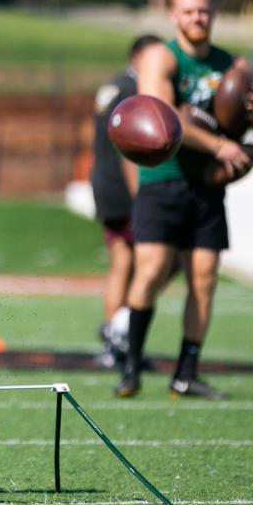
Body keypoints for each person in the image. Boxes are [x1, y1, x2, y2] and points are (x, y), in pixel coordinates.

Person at [115, 0, 253, 400]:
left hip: (207, 185)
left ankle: (186, 373)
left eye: (203, 11)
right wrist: (221, 145)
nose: (197, 18)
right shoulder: (161, 58)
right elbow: (164, 119)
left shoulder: (231, 64)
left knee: (204, 279)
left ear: (213, 14)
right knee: (149, 271)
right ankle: (130, 367)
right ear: (173, 15)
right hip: (162, 179)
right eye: (188, 12)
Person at [90, 34, 161, 368]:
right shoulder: (134, 90)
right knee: (136, 265)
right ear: (138, 57)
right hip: (124, 185)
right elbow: (129, 148)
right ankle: (117, 336)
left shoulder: (111, 86)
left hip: (104, 184)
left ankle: (114, 343)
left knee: (122, 263)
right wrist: (141, 195)